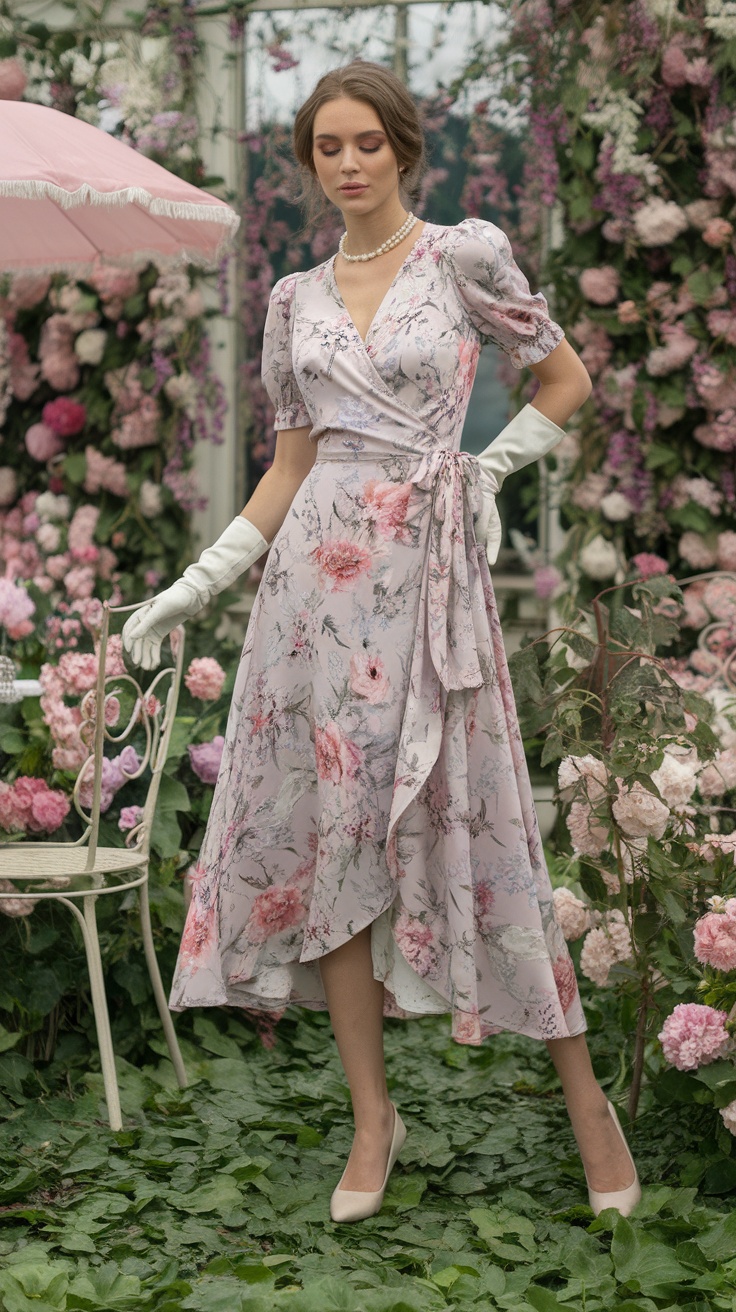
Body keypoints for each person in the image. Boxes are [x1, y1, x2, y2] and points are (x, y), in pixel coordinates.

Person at [122, 60, 641, 1225]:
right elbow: (289, 462)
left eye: (366, 142)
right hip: (311, 592)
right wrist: (193, 583)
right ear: (309, 163)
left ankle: (584, 1103)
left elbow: (564, 378)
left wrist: (487, 467)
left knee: (491, 824)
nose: (348, 163)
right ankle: (372, 1118)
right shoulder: (292, 299)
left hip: (430, 588)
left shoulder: (463, 256)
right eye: (326, 148)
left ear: (404, 148)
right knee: (336, 840)